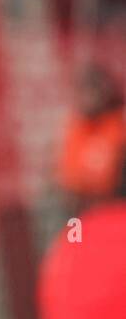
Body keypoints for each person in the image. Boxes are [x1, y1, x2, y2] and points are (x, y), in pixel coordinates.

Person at [57, 62, 126, 211]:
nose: (87, 98)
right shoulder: (77, 127)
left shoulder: (119, 123)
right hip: (89, 208)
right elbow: (70, 178)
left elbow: (111, 176)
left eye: (92, 90)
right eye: (83, 92)